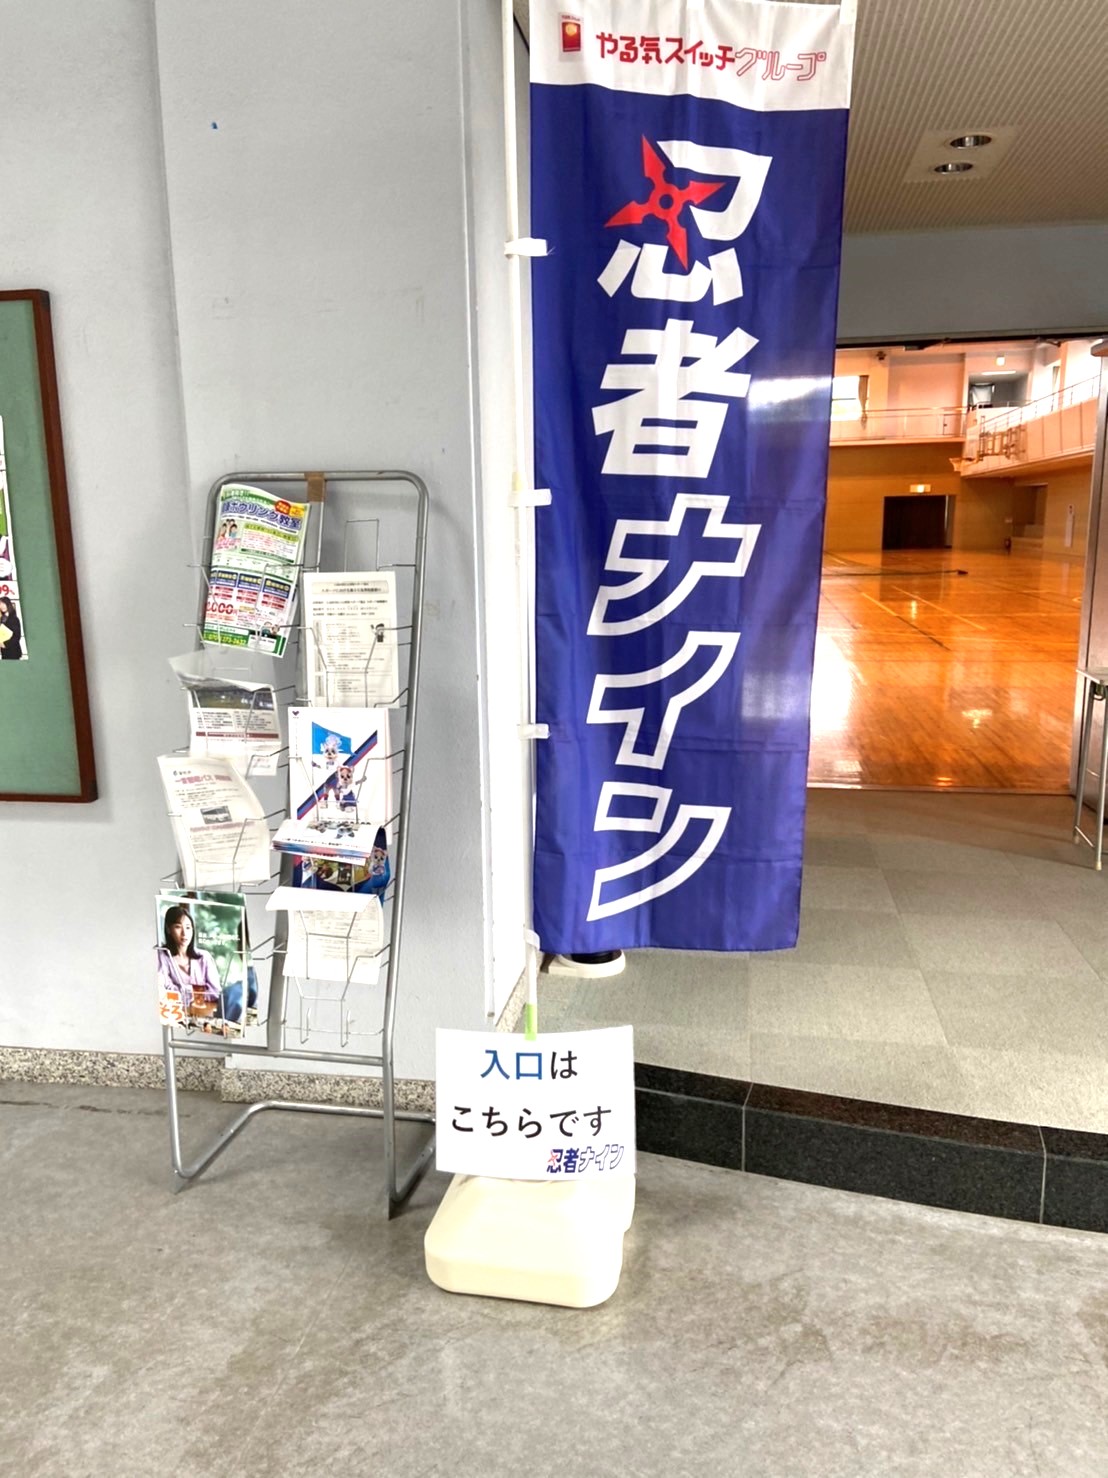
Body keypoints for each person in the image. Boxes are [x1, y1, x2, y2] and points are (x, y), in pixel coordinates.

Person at [155, 904, 223, 1020]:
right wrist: (196, 993)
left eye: (188, 927)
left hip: (204, 1017)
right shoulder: (162, 956)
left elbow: (215, 992)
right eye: (178, 927)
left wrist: (185, 993)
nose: (184, 933)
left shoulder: (204, 957)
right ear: (168, 929)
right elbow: (164, 990)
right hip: (175, 1017)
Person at [0, 595, 23, 660]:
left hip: (13, 651)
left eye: (3, 604)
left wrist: (5, 644)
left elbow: (17, 636)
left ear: (8, 604)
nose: (1, 606)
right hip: (4, 652)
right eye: (0, 604)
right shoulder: (2, 619)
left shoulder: (14, 619)